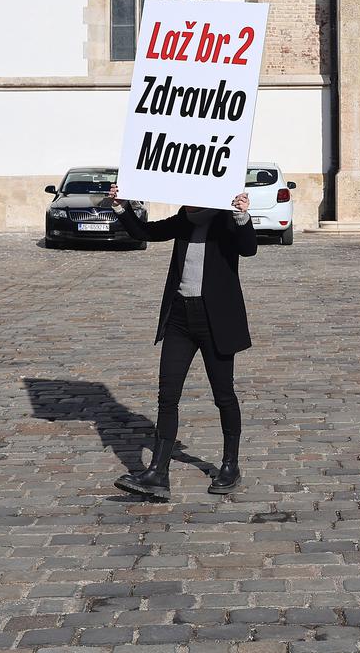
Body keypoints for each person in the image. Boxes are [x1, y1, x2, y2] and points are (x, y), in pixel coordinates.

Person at [106, 183, 256, 500]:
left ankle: (230, 465)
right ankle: (158, 473)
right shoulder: (183, 220)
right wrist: (121, 205)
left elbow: (248, 248)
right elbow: (143, 231)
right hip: (180, 318)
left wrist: (242, 215)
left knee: (224, 395)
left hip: (216, 321)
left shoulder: (224, 219)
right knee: (167, 395)